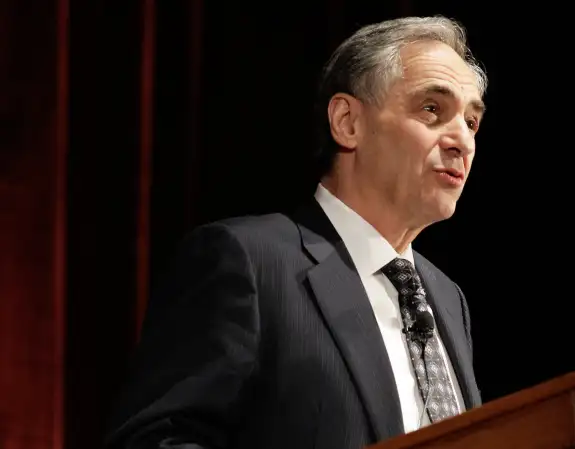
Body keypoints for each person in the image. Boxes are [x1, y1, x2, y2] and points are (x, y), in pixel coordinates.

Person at [105, 15, 487, 449]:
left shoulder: (448, 299)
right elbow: (154, 440)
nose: (462, 140)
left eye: (472, 122)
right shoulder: (248, 262)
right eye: (432, 109)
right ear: (348, 122)